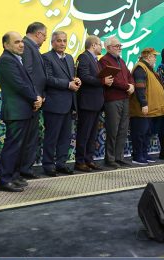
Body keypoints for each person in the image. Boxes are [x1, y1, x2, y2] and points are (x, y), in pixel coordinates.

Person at [0, 32, 43, 192]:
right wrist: (35, 98)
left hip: (24, 110)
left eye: (21, 41)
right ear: (5, 44)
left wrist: (36, 98)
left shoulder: (16, 59)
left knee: (20, 147)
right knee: (13, 147)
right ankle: (5, 180)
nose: (21, 44)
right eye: (16, 42)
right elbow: (19, 85)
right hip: (16, 111)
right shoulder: (6, 60)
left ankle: (14, 176)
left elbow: (26, 83)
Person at [41, 31, 80, 176]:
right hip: (54, 104)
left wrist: (76, 80)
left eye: (64, 41)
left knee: (65, 137)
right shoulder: (46, 57)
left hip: (68, 104)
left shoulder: (69, 58)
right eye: (59, 41)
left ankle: (61, 164)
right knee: (52, 137)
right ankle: (48, 165)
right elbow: (48, 79)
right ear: (52, 42)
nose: (62, 43)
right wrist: (68, 84)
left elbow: (71, 77)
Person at [74, 35, 113, 172]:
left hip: (96, 103)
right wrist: (103, 81)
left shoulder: (95, 60)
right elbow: (84, 77)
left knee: (92, 135)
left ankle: (88, 160)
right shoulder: (84, 57)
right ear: (93, 45)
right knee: (84, 134)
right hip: (87, 103)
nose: (102, 47)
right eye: (100, 45)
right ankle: (80, 161)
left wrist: (106, 80)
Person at [129, 48, 164, 165]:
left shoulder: (148, 68)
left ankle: (144, 153)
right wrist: (144, 104)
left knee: (146, 133)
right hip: (141, 109)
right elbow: (140, 87)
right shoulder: (140, 68)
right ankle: (137, 156)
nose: (155, 59)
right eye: (154, 56)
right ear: (148, 57)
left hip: (149, 109)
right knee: (139, 133)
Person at [99, 36, 135, 168]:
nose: (120, 48)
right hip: (113, 99)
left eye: (120, 46)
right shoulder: (104, 61)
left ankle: (119, 157)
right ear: (108, 48)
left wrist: (132, 85)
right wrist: (127, 86)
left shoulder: (121, 60)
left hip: (125, 98)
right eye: (117, 46)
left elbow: (129, 76)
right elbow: (112, 80)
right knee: (113, 130)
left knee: (123, 130)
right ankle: (110, 159)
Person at [20, 21, 47, 179]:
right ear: (38, 34)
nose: (45, 39)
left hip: (36, 99)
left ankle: (26, 169)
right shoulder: (26, 46)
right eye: (44, 36)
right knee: (27, 139)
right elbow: (28, 73)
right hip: (30, 101)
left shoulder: (33, 48)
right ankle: (24, 170)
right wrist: (36, 96)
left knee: (31, 138)